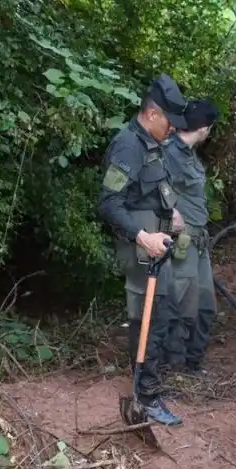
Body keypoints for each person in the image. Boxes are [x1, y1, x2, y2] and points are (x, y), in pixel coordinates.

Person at [97, 74, 189, 427]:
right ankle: (147, 396)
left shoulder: (152, 143)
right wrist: (142, 236)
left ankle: (145, 384)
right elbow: (108, 203)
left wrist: (172, 212)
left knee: (156, 316)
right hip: (140, 248)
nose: (173, 130)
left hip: (156, 244)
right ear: (152, 114)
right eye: (169, 122)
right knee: (153, 317)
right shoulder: (128, 147)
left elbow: (154, 189)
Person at [162, 98, 219, 376]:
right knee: (182, 307)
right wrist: (171, 210)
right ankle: (174, 366)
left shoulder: (189, 155)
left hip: (200, 242)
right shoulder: (169, 151)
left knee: (206, 306)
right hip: (183, 241)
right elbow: (155, 181)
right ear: (205, 128)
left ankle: (193, 363)